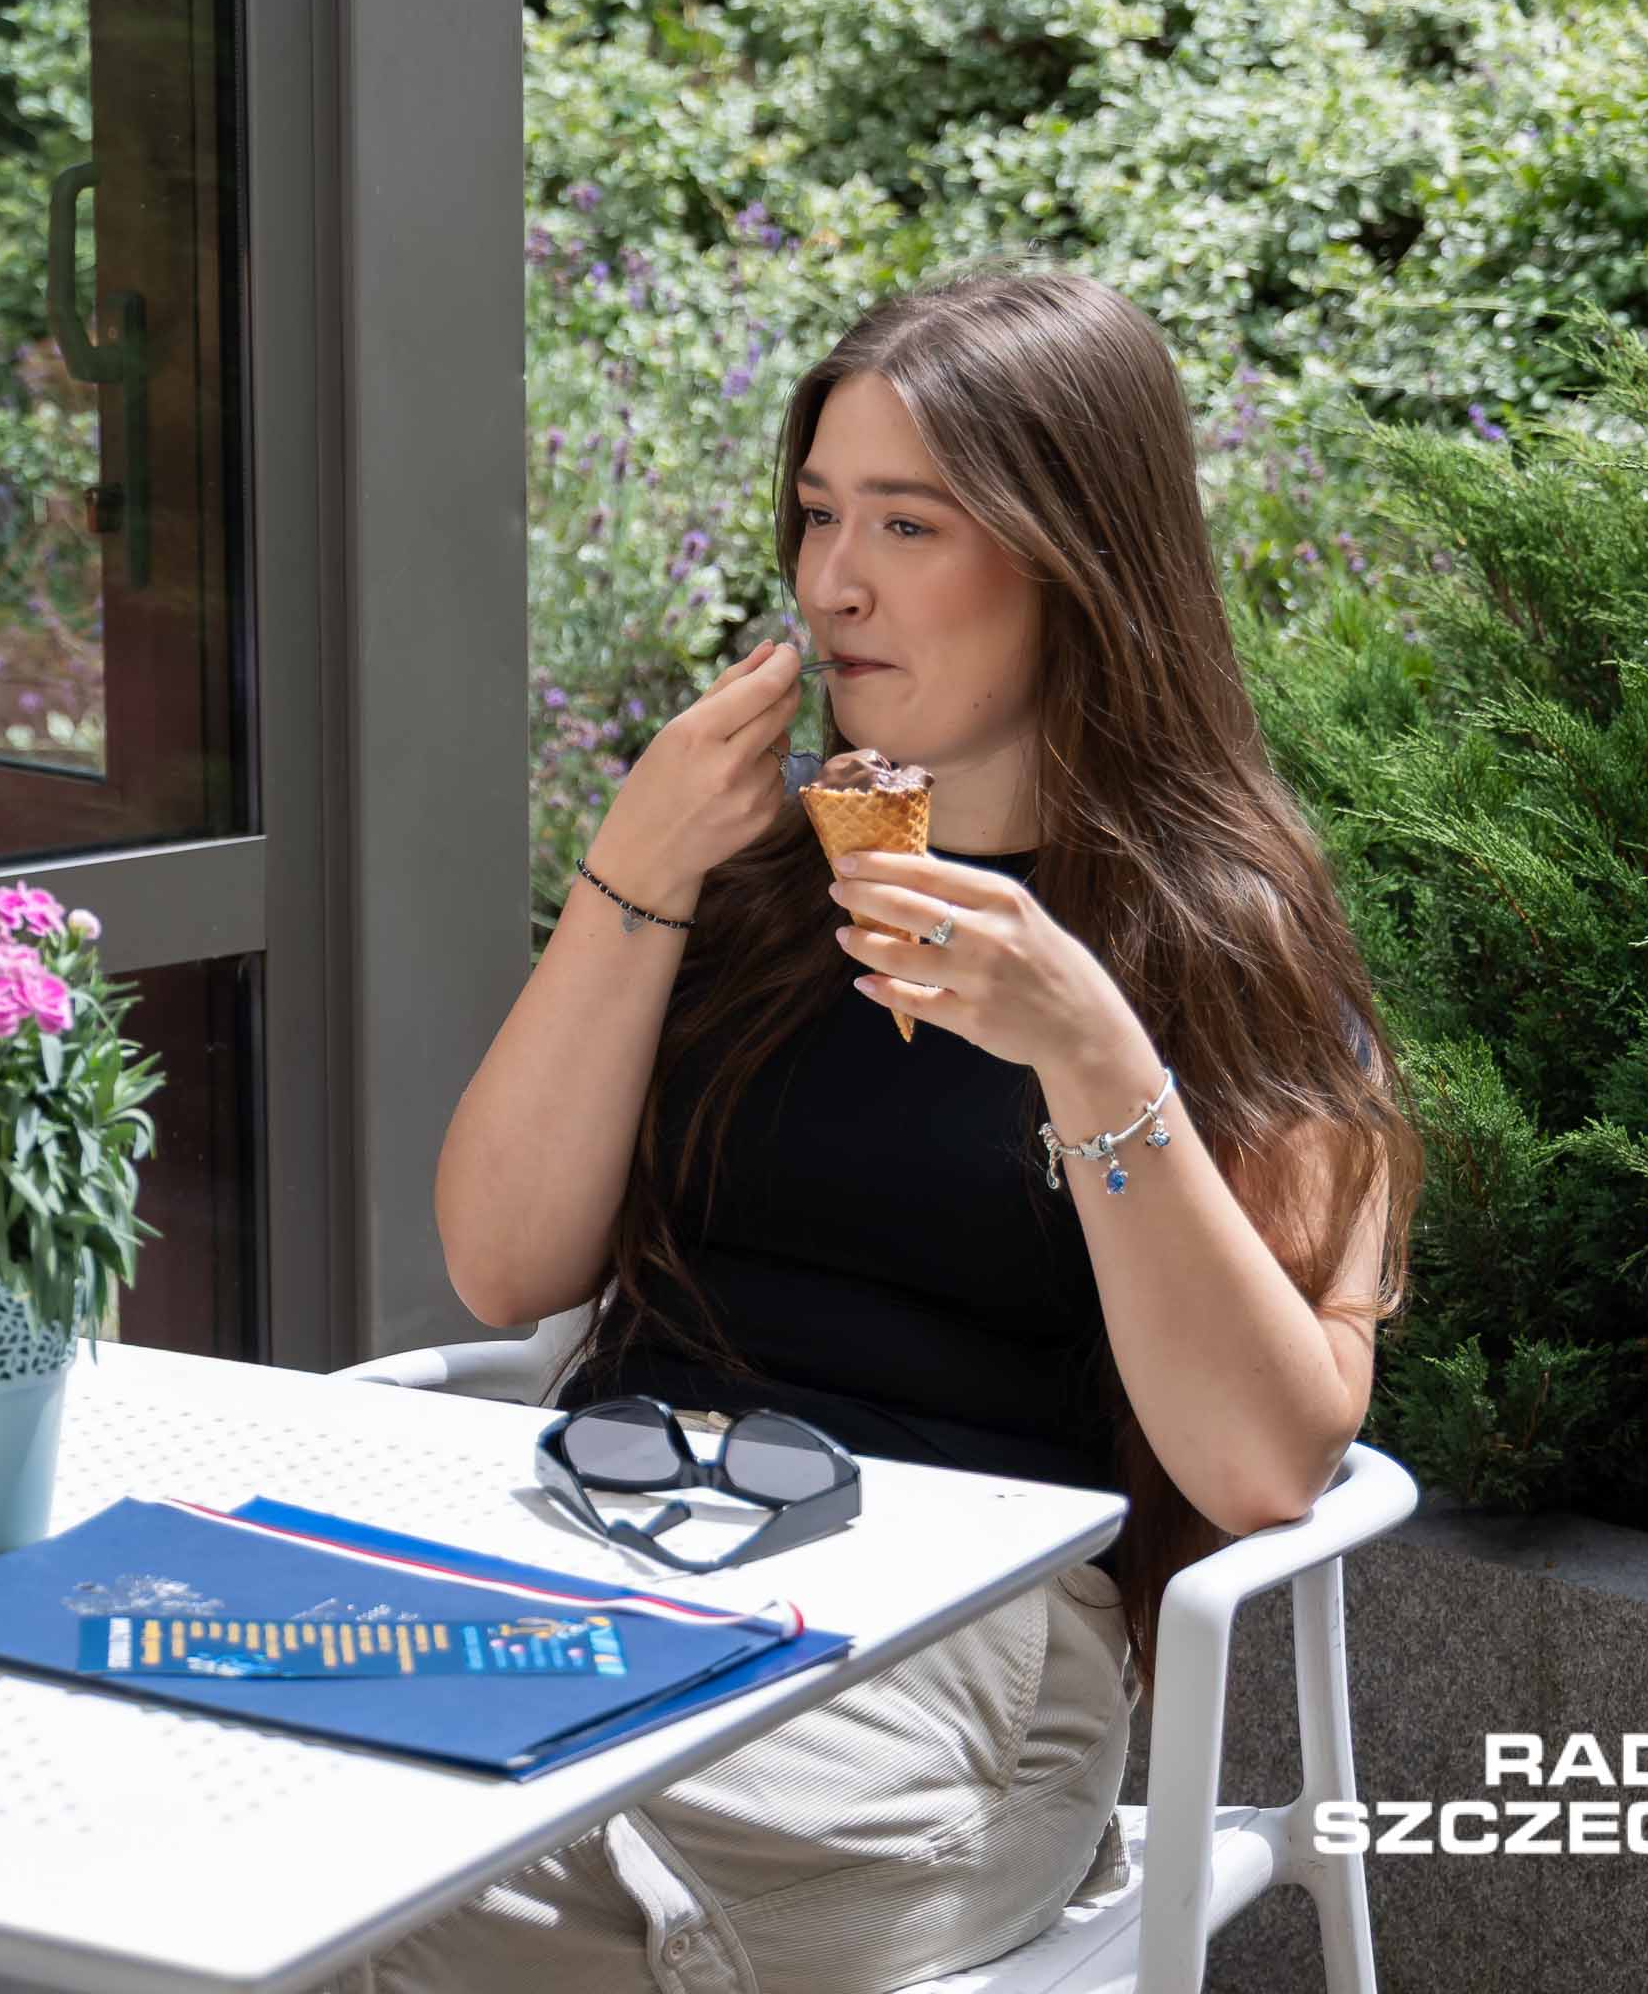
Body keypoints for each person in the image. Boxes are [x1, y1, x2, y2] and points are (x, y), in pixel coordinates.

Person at [398, 269, 1417, 1993]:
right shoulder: (745, 883)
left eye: (908, 524)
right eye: (817, 514)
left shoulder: (1218, 941)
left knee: (427, 1919)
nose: (832, 584)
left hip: (953, 1648)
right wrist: (635, 868)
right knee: (261, 1830)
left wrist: (1091, 1053)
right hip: (599, 1551)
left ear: (1075, 560)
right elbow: (504, 1267)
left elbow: (1263, 1466)